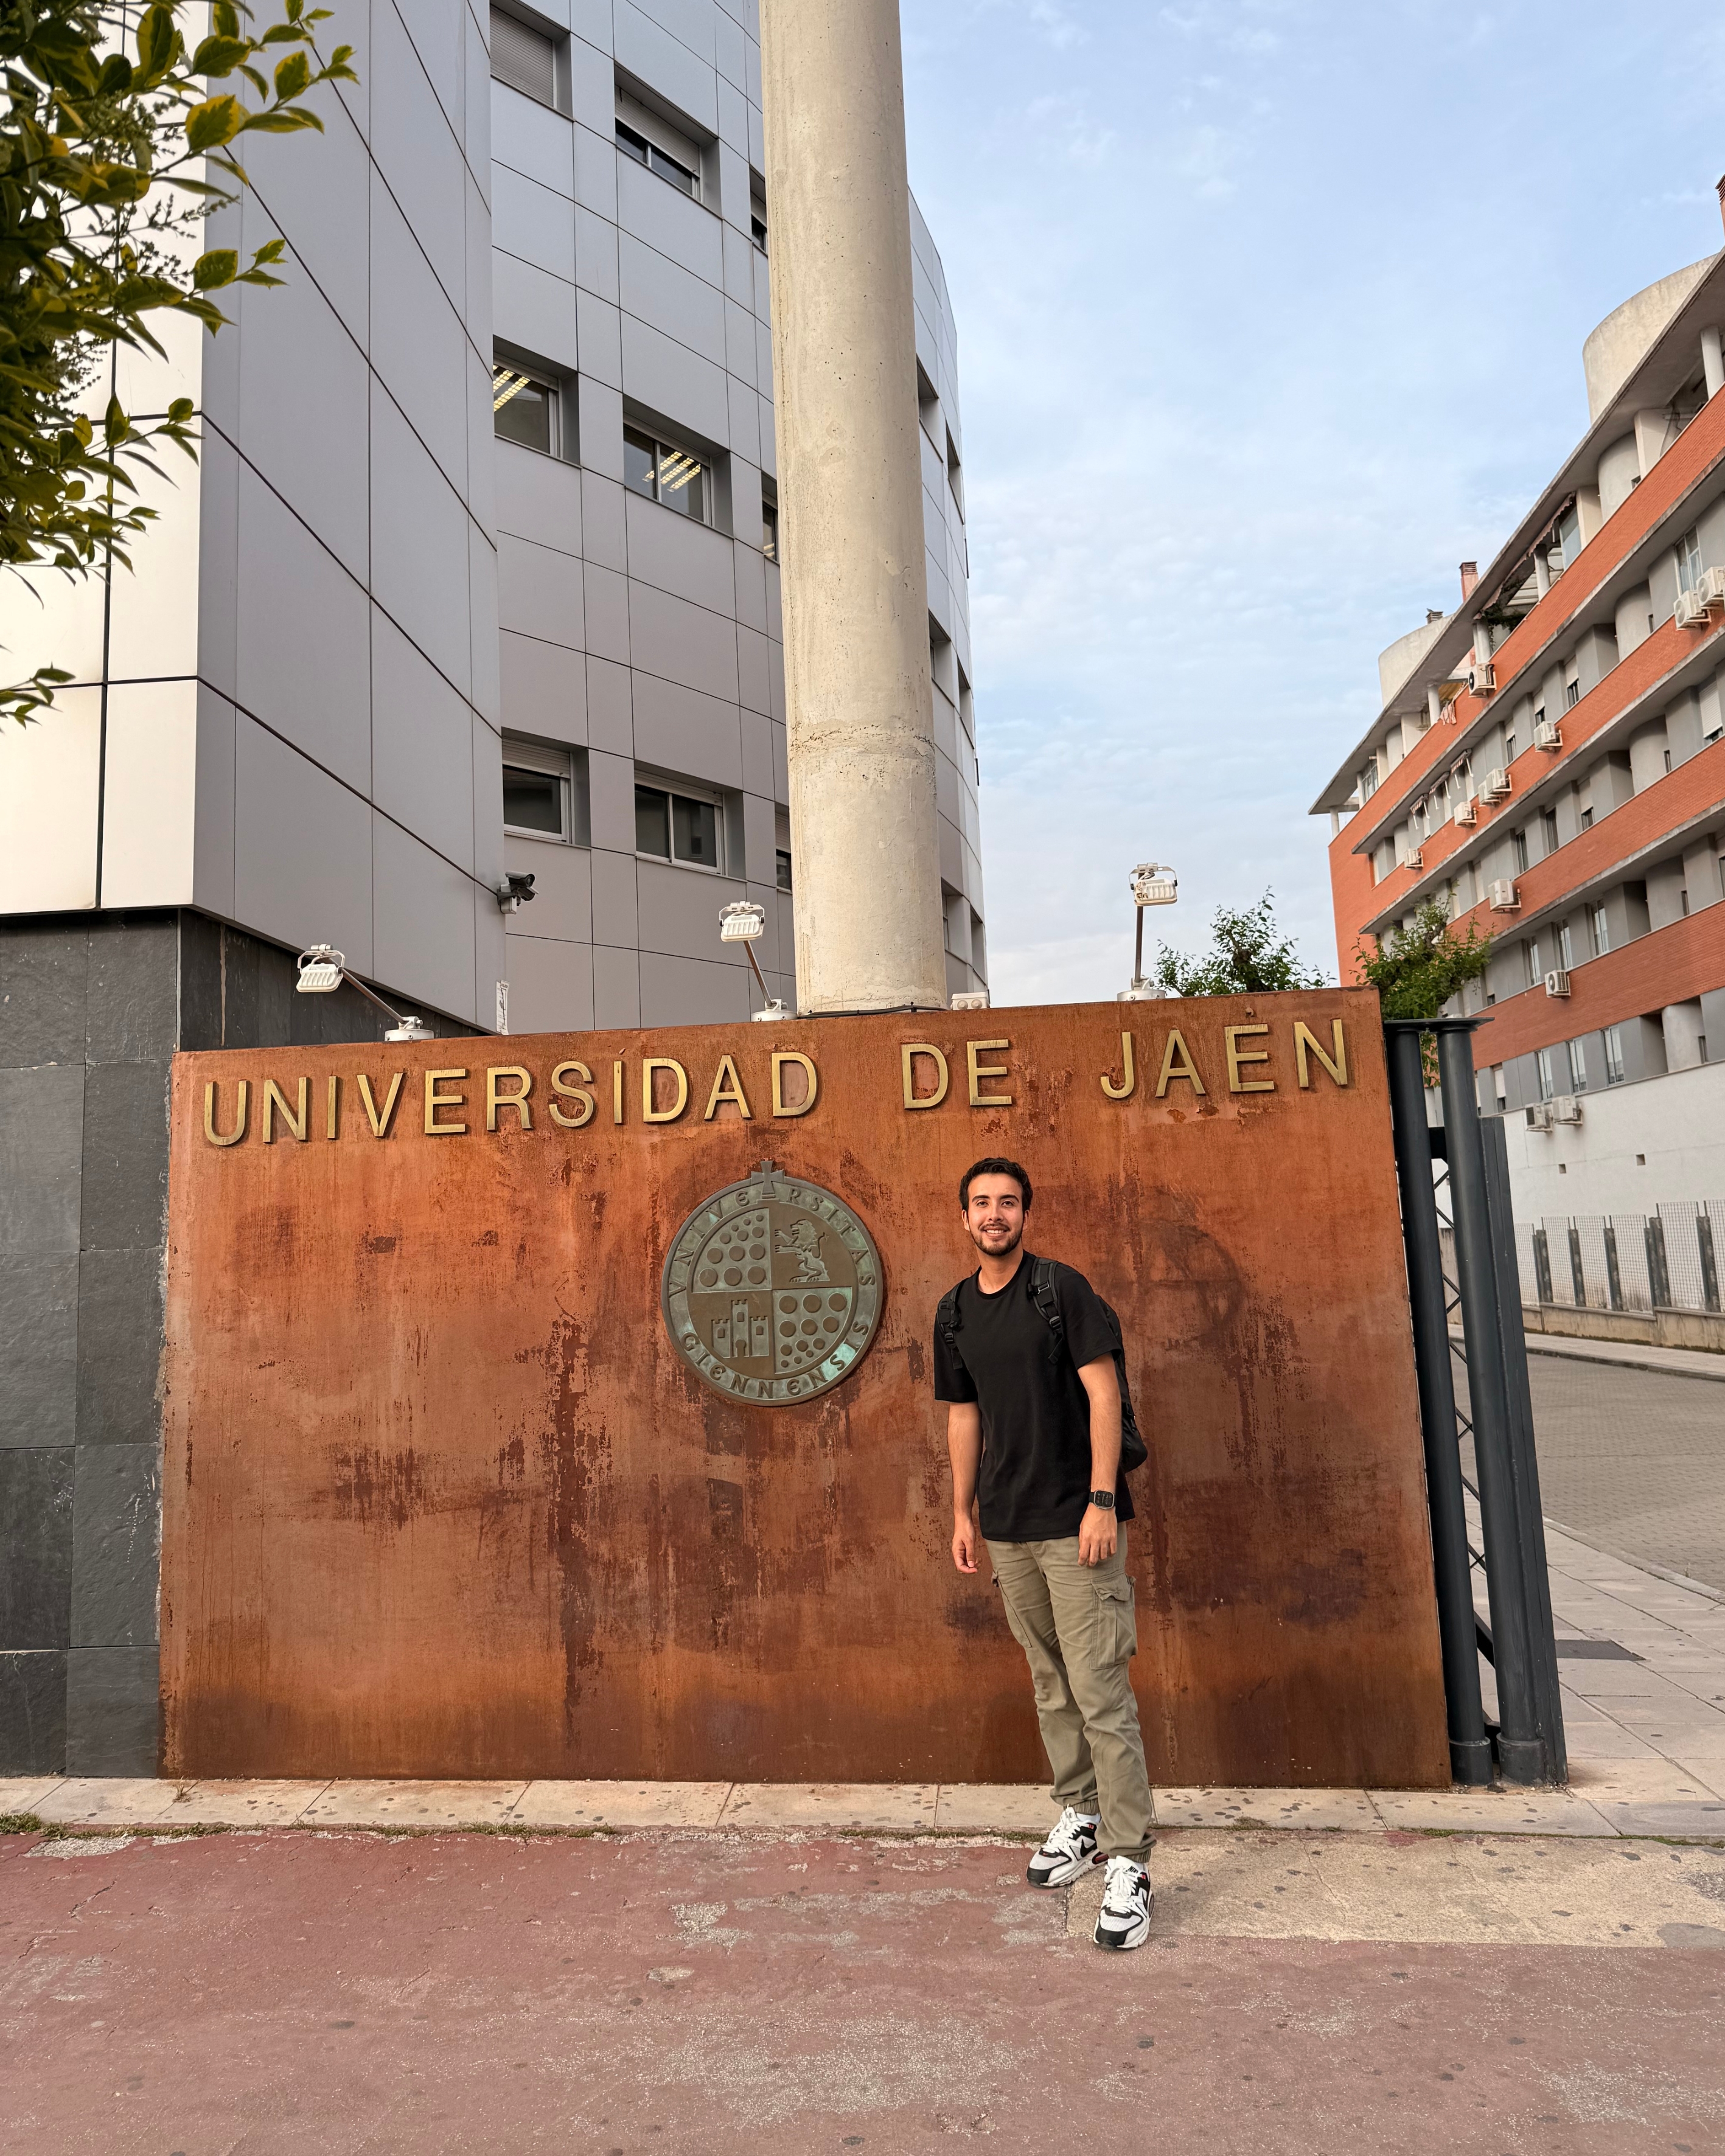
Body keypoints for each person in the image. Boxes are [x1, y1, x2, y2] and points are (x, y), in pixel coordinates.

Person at [933, 1156, 1154, 1951]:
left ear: (1026, 1213)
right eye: (981, 1203)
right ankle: (1081, 1815)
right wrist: (962, 1512)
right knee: (1052, 1682)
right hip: (1008, 1525)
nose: (994, 1214)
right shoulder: (953, 1311)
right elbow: (963, 1415)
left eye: (1007, 1202)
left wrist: (1102, 1499)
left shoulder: (1061, 1291)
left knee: (1100, 1690)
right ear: (965, 1217)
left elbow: (1104, 1393)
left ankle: (1129, 1861)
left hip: (1076, 1518)